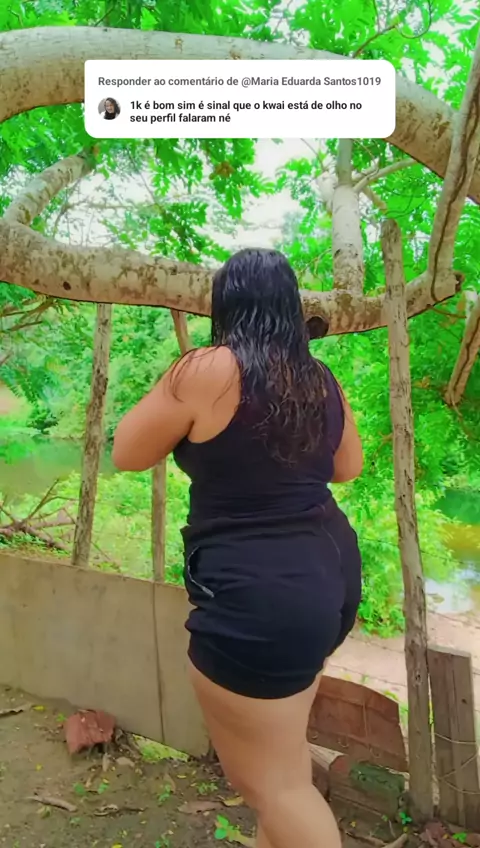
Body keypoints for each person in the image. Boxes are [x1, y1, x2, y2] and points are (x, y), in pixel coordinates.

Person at [112, 248, 363, 848]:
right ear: (290, 307)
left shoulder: (206, 369)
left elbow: (127, 452)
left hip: (259, 597)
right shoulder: (319, 377)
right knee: (283, 758)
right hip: (327, 576)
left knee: (276, 788)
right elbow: (347, 468)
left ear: (225, 305)